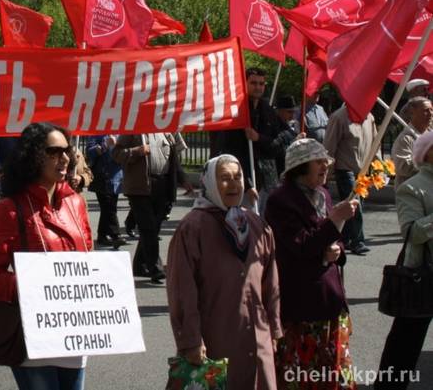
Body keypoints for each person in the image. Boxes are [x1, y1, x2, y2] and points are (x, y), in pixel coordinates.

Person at [0, 122, 92, 390]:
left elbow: (89, 260)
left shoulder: (76, 202)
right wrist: (37, 286)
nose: (65, 157)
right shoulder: (10, 208)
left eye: (67, 150)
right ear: (33, 156)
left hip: (74, 332)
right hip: (33, 335)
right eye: (54, 151)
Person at [166, 154, 281, 388]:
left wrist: (274, 327)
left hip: (258, 339)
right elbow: (182, 290)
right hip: (215, 341)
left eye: (238, 177)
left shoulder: (256, 225)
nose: (234, 184)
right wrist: (191, 340)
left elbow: (271, 282)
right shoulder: (192, 228)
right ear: (209, 183)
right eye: (225, 178)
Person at [264, 139, 359, 389]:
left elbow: (333, 235)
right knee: (304, 377)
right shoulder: (280, 200)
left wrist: (338, 250)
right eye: (318, 161)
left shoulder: (324, 194)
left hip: (331, 301)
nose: (325, 166)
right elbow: (299, 245)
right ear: (301, 166)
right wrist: (334, 221)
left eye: (325, 161)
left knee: (335, 375)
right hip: (303, 306)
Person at [375, 130, 433, 389]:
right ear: (427, 153)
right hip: (423, 274)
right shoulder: (412, 187)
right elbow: (411, 232)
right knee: (405, 343)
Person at [113, 133, 189, 283]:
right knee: (148, 228)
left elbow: (174, 159)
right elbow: (116, 154)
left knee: (154, 228)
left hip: (162, 186)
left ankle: (140, 265)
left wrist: (184, 180)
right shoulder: (132, 129)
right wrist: (137, 151)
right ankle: (156, 269)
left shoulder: (167, 130)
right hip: (139, 187)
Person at [213, 68, 285, 211]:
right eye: (253, 83)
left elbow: (280, 140)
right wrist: (246, 184)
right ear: (244, 83)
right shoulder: (236, 111)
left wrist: (259, 138)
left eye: (261, 84)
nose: (258, 87)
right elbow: (230, 152)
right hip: (243, 183)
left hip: (267, 180)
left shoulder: (268, 110)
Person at [324, 104, 378, 255]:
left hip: (363, 169)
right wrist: (326, 171)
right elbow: (329, 145)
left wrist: (378, 164)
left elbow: (376, 141)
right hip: (345, 168)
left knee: (357, 204)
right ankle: (358, 241)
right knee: (355, 205)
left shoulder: (369, 117)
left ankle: (345, 238)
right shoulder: (338, 117)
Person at [86, 134, 126, 249]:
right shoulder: (97, 134)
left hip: (116, 177)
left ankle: (102, 236)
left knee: (108, 207)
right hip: (102, 177)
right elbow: (89, 152)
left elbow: (123, 154)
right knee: (109, 207)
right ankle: (116, 235)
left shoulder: (120, 134)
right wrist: (104, 145)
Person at [391, 96, 433, 188]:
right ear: (412, 112)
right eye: (426, 110)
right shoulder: (405, 139)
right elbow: (402, 167)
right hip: (411, 193)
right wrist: (428, 163)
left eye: (431, 110)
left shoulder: (430, 135)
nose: (430, 114)